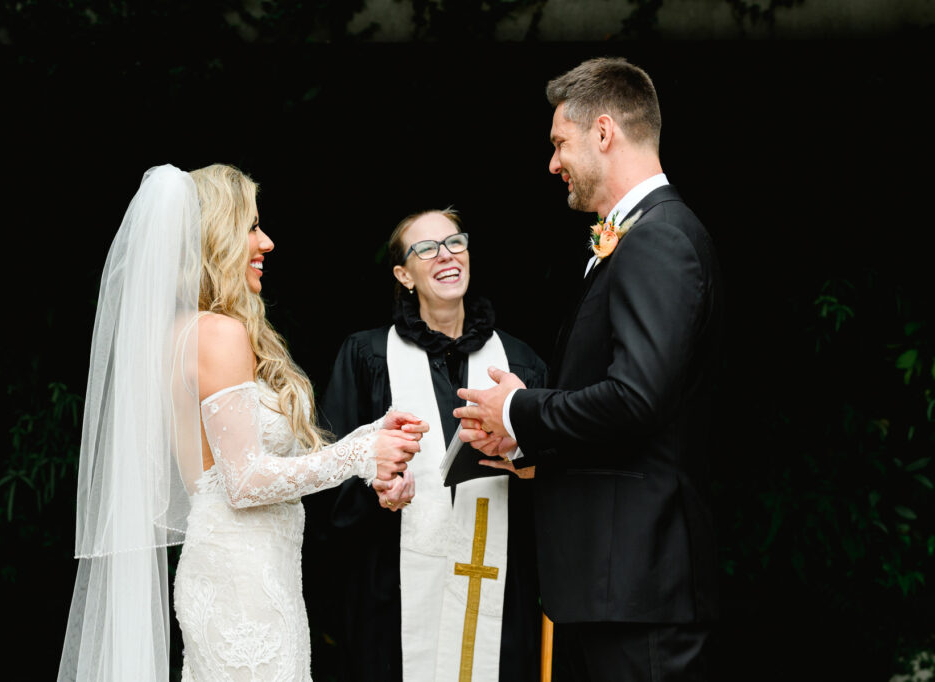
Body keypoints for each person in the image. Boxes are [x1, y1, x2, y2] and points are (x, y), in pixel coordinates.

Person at [57, 163, 427, 681]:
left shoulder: (184, 332)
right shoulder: (218, 334)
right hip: (243, 585)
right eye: (251, 226)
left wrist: (372, 444)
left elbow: (256, 463)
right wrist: (358, 455)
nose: (267, 242)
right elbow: (244, 481)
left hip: (248, 575)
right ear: (216, 237)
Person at [455, 58, 722, 680]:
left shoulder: (660, 239)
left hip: (640, 582)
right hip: (614, 585)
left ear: (603, 133)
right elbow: (630, 413)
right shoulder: (636, 237)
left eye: (559, 143)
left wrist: (520, 409)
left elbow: (636, 399)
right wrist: (528, 445)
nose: (552, 163)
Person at [315, 209, 547, 681]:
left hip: (500, 580)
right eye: (426, 248)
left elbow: (556, 481)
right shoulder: (367, 358)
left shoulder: (519, 363)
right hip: (393, 588)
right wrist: (377, 489)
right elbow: (326, 475)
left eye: (454, 242)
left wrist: (524, 460)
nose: (445, 255)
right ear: (404, 274)